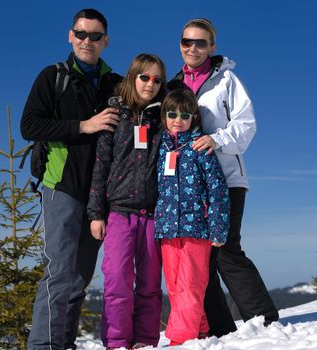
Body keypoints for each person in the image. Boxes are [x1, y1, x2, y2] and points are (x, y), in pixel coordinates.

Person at [167, 18, 279, 336]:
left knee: (225, 247)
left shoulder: (226, 81)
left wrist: (217, 139)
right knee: (201, 255)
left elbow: (247, 124)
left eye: (201, 43)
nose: (193, 48)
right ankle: (219, 328)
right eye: (187, 42)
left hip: (226, 177)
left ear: (212, 47)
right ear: (180, 45)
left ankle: (263, 318)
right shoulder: (173, 86)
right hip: (188, 184)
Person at [21, 9, 122, 350]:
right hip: (61, 186)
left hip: (99, 194)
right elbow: (29, 126)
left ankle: (63, 343)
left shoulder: (114, 83)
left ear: (105, 41)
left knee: (79, 277)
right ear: (70, 35)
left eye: (95, 36)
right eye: (81, 34)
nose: (86, 41)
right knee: (60, 272)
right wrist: (84, 125)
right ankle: (42, 345)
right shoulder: (53, 77)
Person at [86, 53, 166, 349]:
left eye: (157, 79)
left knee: (148, 285)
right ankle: (117, 343)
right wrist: (96, 213)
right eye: (144, 77)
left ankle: (145, 341)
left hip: (153, 213)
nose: (150, 84)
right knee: (117, 280)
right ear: (132, 77)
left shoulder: (163, 117)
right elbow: (100, 164)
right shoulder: (115, 113)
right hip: (118, 211)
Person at [155, 88, 230, 346]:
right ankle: (200, 332)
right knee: (176, 287)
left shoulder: (200, 148)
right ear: (164, 116)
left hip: (196, 229)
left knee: (191, 285)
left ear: (193, 119)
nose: (178, 119)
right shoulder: (161, 149)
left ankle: (179, 340)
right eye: (172, 114)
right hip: (167, 229)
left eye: (185, 115)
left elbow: (217, 189)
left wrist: (218, 228)